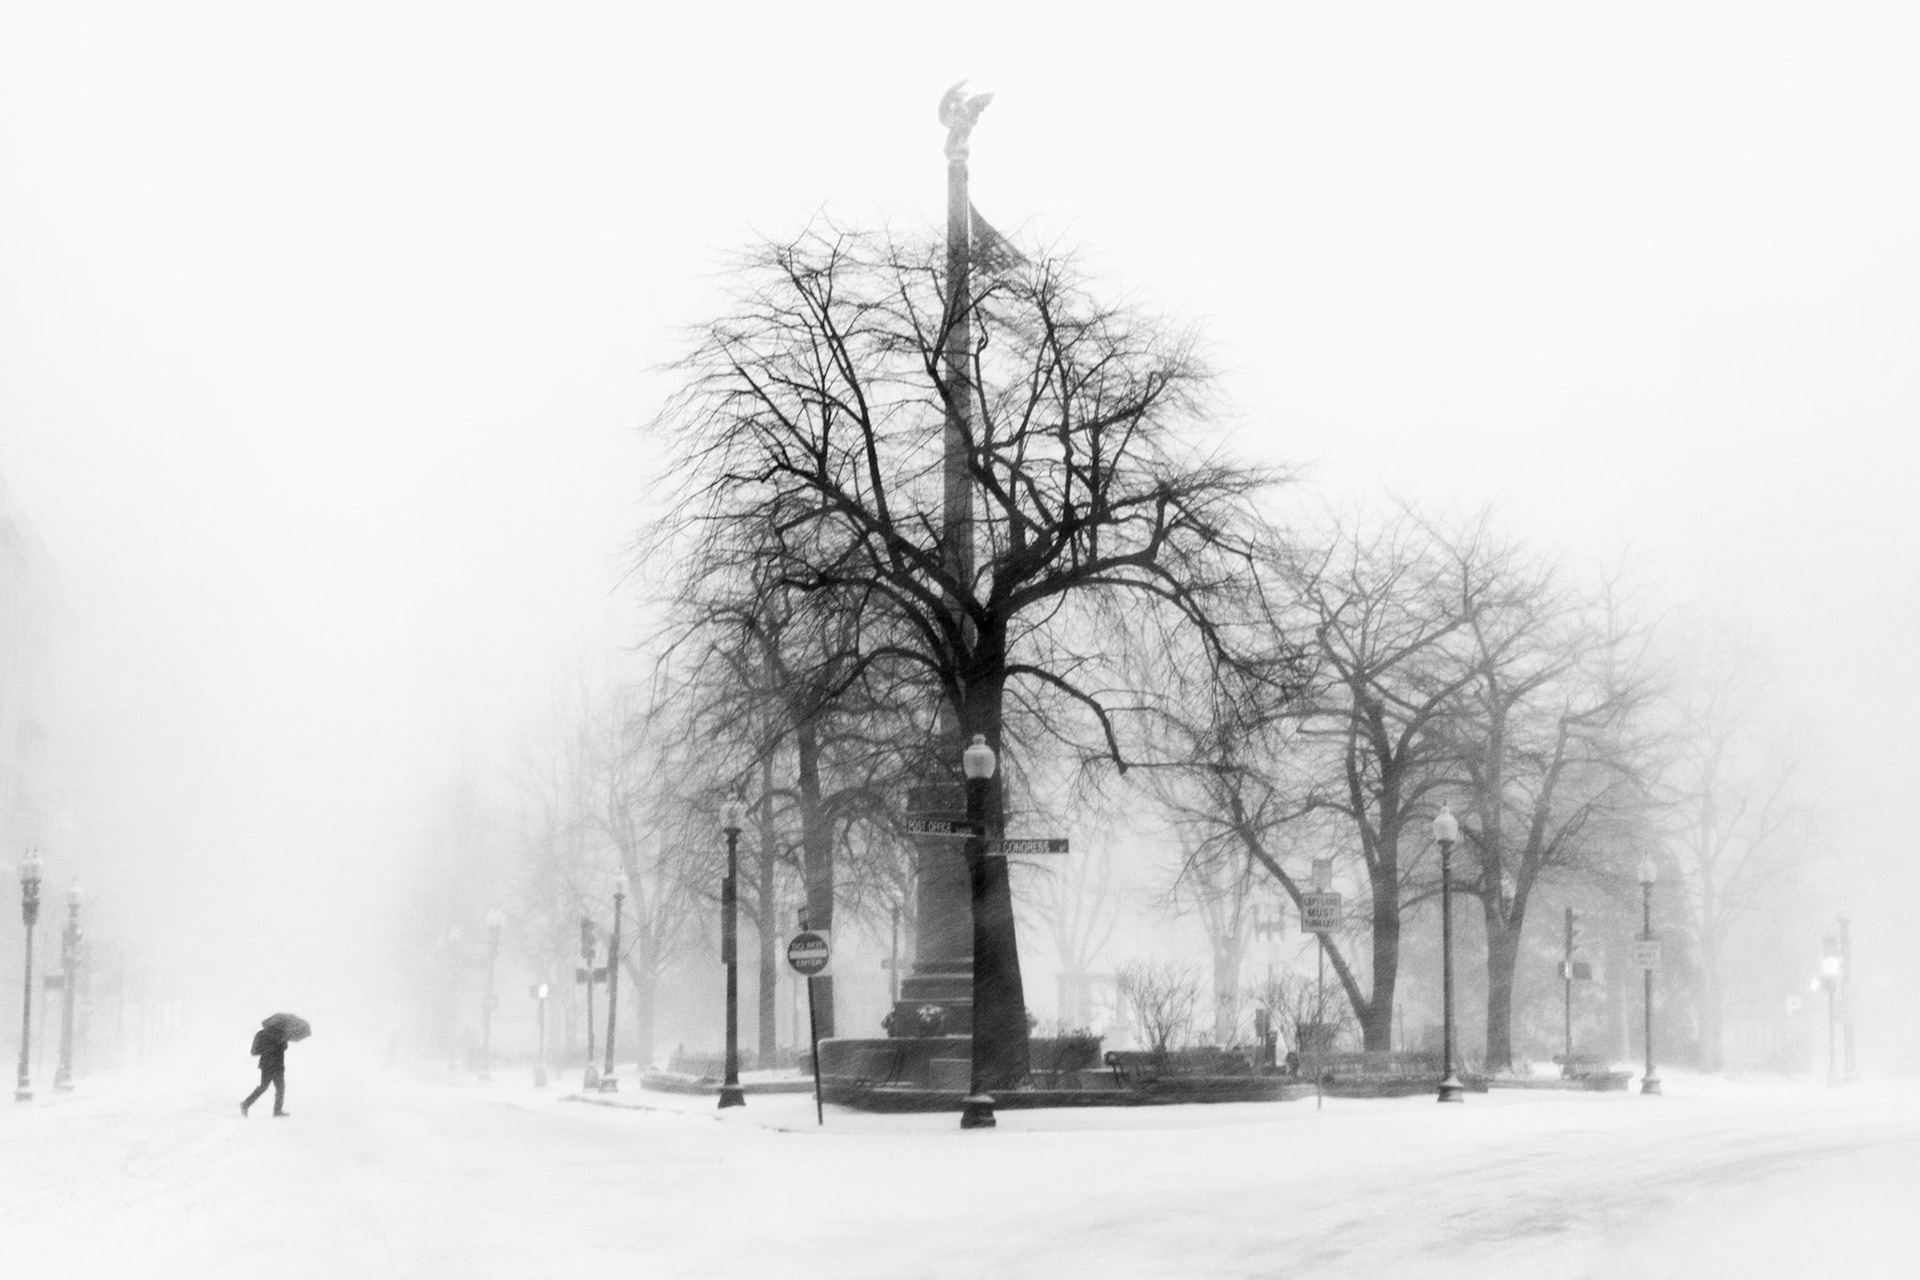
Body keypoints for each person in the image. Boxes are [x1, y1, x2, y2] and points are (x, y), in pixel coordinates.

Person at [241, 1025, 291, 1117]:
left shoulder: (280, 1034)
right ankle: (246, 1104)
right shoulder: (262, 1035)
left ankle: (277, 1111)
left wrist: (283, 1042)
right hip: (269, 1065)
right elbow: (254, 1051)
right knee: (266, 1087)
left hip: (276, 1065)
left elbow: (284, 1047)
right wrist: (271, 1047)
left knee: (279, 1088)